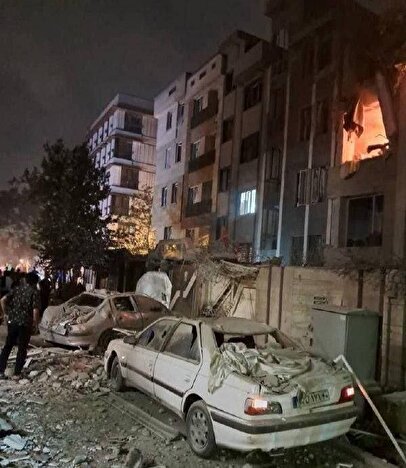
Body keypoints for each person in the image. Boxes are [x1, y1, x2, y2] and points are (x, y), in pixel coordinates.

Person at [0, 272, 40, 380]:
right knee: (22, 348)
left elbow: (2, 300)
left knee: (7, 346)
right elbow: (35, 310)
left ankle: (1, 371)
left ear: (26, 280)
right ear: (35, 282)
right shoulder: (34, 292)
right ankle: (17, 374)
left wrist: (5, 314)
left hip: (12, 322)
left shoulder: (17, 289)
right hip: (25, 324)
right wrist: (36, 324)